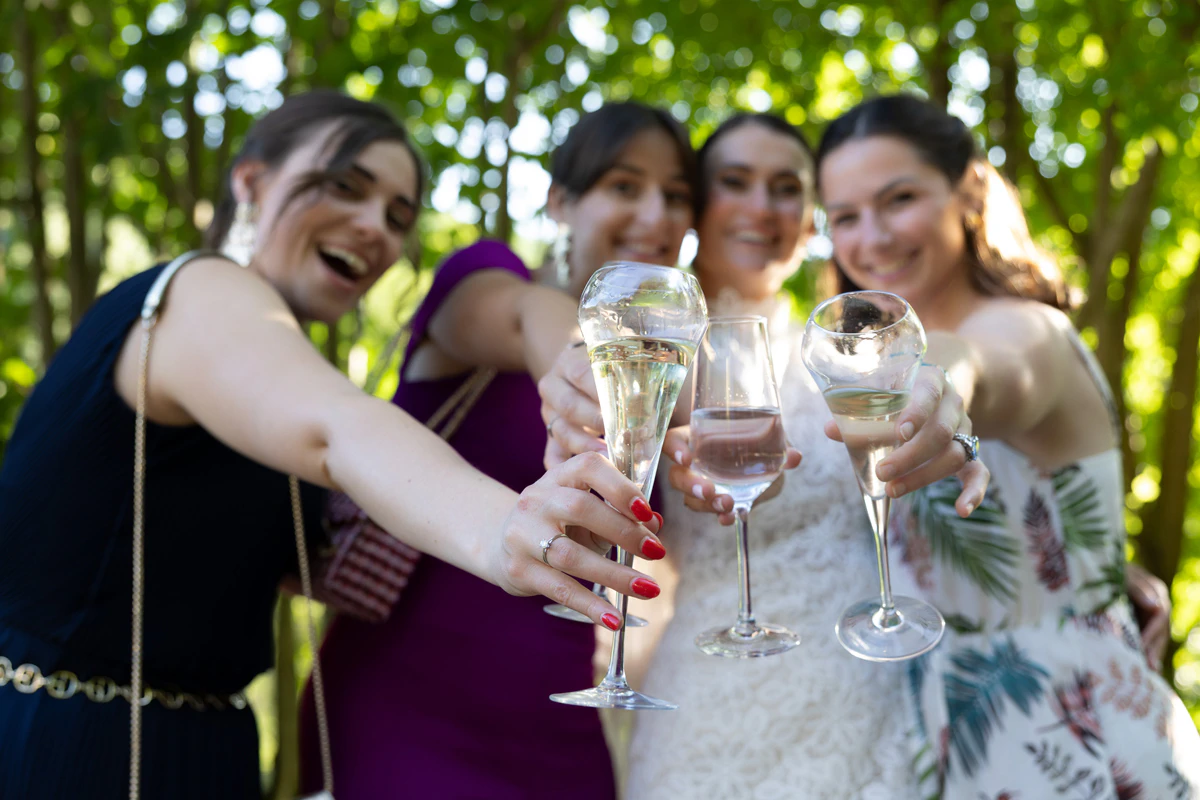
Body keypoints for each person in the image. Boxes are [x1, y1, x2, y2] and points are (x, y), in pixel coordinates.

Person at [0, 90, 666, 800]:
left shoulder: (279, 364)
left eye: (398, 216)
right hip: (72, 742)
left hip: (209, 753)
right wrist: (504, 526)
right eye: (345, 187)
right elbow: (337, 427)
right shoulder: (198, 288)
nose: (374, 226)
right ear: (251, 182)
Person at [539, 111, 986, 799]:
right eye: (735, 182)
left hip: (866, 697)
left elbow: (960, 388)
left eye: (784, 188)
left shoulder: (848, 348)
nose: (760, 207)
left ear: (810, 220)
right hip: (709, 704)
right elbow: (614, 422)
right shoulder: (659, 349)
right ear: (698, 208)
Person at [299, 101, 697, 799]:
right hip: (408, 716)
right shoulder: (485, 278)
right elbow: (525, 315)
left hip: (567, 726)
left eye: (677, 196)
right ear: (561, 202)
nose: (657, 215)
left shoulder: (665, 370)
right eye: (625, 186)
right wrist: (579, 364)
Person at [814, 93, 1199, 798]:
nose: (871, 236)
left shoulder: (1028, 332)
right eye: (844, 217)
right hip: (953, 735)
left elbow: (989, 369)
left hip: (1076, 739)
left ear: (968, 190)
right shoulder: (860, 372)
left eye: (898, 198)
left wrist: (947, 382)